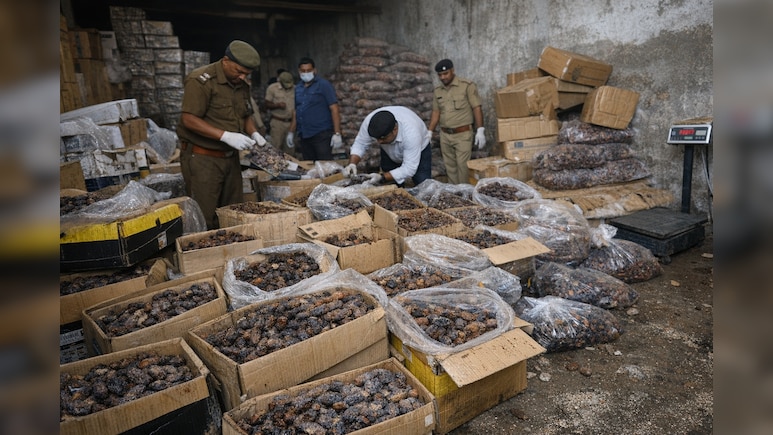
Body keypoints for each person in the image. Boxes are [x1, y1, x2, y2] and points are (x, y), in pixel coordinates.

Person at [176, 40, 267, 229]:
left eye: (247, 74)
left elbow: (245, 114)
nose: (242, 77)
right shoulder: (200, 80)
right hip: (204, 159)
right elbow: (189, 119)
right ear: (226, 61)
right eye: (239, 71)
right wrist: (225, 136)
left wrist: (254, 133)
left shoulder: (241, 84)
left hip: (230, 158)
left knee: (233, 212)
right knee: (205, 215)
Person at [427, 58, 486, 184]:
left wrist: (480, 130)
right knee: (450, 167)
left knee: (462, 167)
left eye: (445, 73)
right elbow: (436, 112)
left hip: (462, 134)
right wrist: (430, 132)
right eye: (440, 75)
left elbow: (476, 107)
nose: (443, 77)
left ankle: (464, 192)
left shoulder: (466, 86)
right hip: (445, 135)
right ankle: (455, 193)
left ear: (452, 70)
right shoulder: (438, 90)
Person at [343, 106, 432, 187]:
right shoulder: (370, 123)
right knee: (392, 185)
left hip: (419, 150)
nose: (379, 142)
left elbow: (409, 168)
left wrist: (382, 177)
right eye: (377, 138)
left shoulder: (412, 134)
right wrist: (352, 164)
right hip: (388, 151)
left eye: (383, 138)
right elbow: (360, 143)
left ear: (395, 129)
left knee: (422, 182)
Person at [287, 57, 342, 161]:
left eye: (309, 70)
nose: (306, 73)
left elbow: (334, 109)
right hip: (304, 134)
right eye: (303, 71)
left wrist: (337, 133)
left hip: (321, 134)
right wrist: (291, 132)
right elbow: (297, 111)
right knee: (309, 164)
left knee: (324, 164)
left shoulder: (324, 85)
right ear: (299, 72)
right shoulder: (298, 88)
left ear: (314, 70)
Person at [264, 71, 295, 156]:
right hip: (277, 122)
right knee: (275, 148)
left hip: (291, 123)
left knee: (289, 149)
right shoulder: (272, 88)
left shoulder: (295, 89)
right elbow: (266, 104)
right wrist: (277, 105)